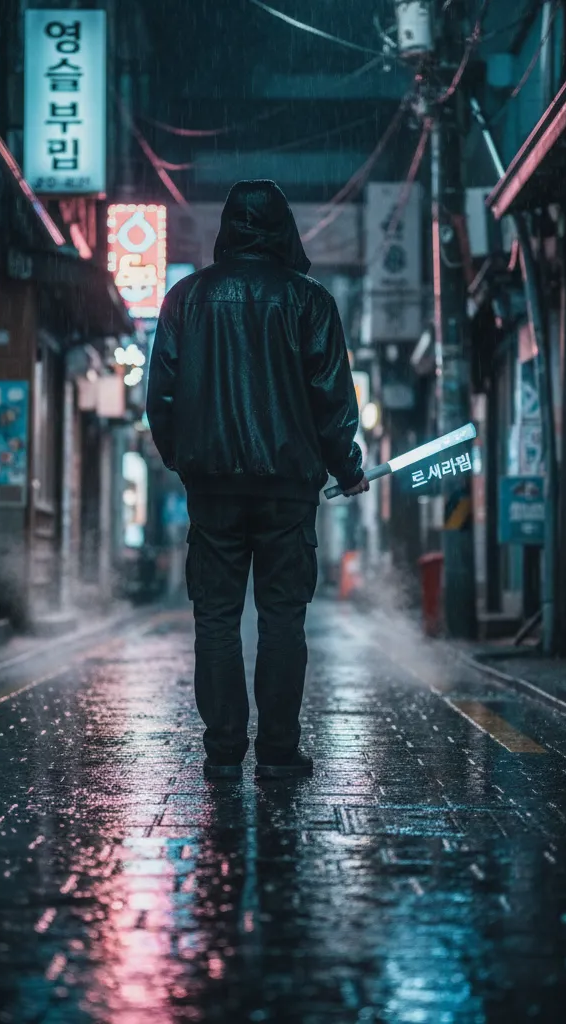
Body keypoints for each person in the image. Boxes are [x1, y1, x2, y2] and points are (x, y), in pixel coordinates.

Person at [146, 179, 368, 781]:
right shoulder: (310, 300)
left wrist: (186, 459)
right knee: (281, 618)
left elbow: (160, 398)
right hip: (288, 490)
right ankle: (276, 749)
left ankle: (222, 750)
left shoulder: (185, 299)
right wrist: (347, 469)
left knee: (215, 616)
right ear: (283, 230)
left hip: (212, 487)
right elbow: (332, 399)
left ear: (228, 229)